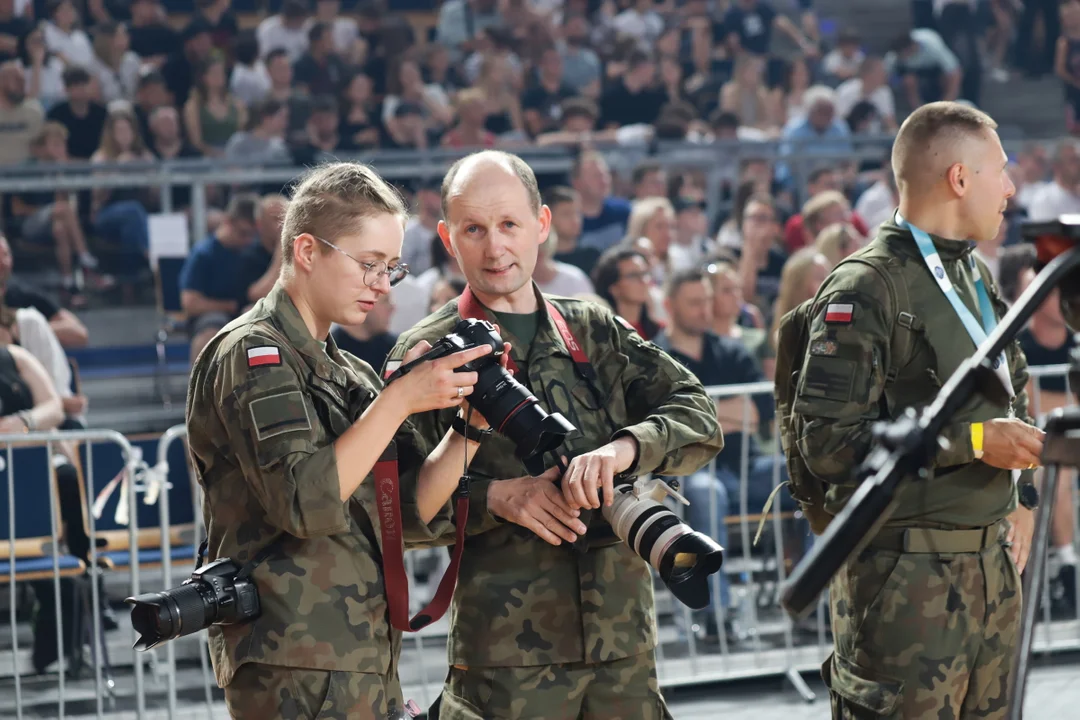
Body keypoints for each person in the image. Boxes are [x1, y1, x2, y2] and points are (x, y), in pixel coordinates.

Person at [384, 150, 723, 720]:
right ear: (448, 238)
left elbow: (698, 413)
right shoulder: (426, 354)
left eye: (510, 224)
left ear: (542, 224)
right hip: (508, 659)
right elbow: (394, 510)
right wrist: (497, 498)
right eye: (474, 229)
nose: (495, 247)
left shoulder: (594, 327)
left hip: (623, 650)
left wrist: (623, 450)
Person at [185, 162, 505, 719]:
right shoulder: (254, 354)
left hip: (359, 654)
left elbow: (408, 514)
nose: (382, 286)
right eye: (369, 264)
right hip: (293, 658)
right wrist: (401, 399)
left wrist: (470, 427)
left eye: (392, 269)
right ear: (308, 251)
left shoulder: (347, 373)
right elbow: (303, 504)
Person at [791, 102, 1043, 718]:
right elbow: (825, 444)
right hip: (904, 579)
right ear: (960, 179)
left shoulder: (973, 275)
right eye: (1000, 171)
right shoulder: (867, 287)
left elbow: (1015, 389)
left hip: (990, 567)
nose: (1011, 188)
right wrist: (975, 443)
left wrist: (1027, 499)